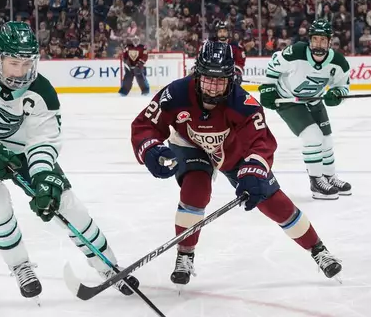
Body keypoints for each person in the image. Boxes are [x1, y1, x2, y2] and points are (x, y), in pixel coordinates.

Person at [0, 21, 139, 301]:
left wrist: (43, 177)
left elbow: (42, 141)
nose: (20, 72)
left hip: (19, 149)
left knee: (65, 202)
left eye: (26, 64)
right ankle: (20, 265)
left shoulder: (41, 91)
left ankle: (109, 266)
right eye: (13, 63)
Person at [130, 40, 342, 289]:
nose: (214, 87)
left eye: (221, 80)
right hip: (190, 146)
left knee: (271, 200)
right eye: (208, 78)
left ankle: (318, 249)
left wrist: (253, 170)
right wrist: (151, 149)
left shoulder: (243, 103)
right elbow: (145, 125)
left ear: (231, 79)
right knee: (195, 191)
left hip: (233, 151)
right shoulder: (175, 93)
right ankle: (185, 254)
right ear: (197, 74)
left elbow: (261, 142)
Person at [257, 19, 352, 200]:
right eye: (315, 39)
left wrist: (338, 94)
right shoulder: (296, 52)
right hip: (287, 100)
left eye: (323, 40)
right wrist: (268, 87)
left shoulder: (339, 62)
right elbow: (275, 64)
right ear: (310, 40)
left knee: (326, 140)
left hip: (313, 100)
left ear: (329, 42)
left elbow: (343, 85)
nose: (318, 44)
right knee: (312, 137)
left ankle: (329, 177)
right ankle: (316, 181)